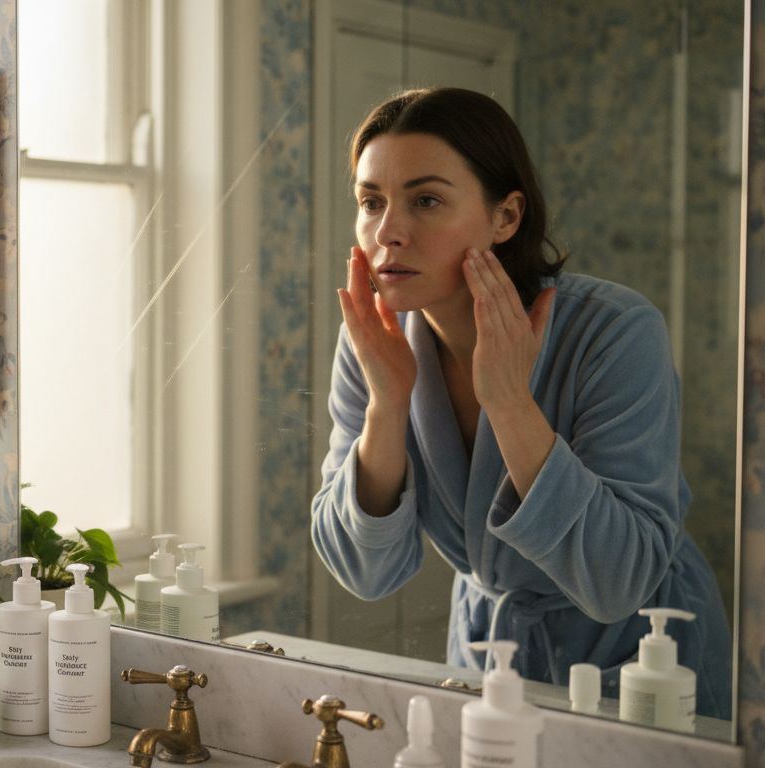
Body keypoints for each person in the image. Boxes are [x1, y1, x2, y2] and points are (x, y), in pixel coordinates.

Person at [310, 87, 731, 719]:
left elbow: (620, 580)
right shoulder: (375, 341)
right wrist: (387, 405)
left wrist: (509, 403)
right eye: (371, 202)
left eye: (425, 200)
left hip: (642, 658)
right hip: (489, 649)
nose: (388, 232)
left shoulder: (614, 332)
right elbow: (365, 573)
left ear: (505, 217)